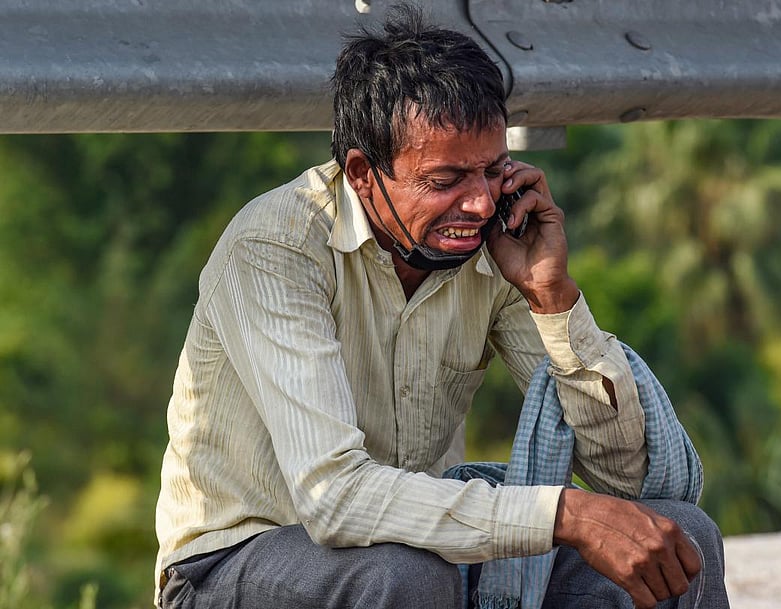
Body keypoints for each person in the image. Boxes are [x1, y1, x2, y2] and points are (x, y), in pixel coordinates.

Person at [154, 5, 729, 609]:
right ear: (362, 173)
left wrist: (551, 297)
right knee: (405, 578)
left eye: (492, 171)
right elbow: (333, 498)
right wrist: (564, 512)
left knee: (681, 541)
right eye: (446, 179)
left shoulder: (496, 247)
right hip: (233, 564)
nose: (480, 204)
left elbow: (630, 483)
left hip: (420, 553)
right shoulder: (276, 248)